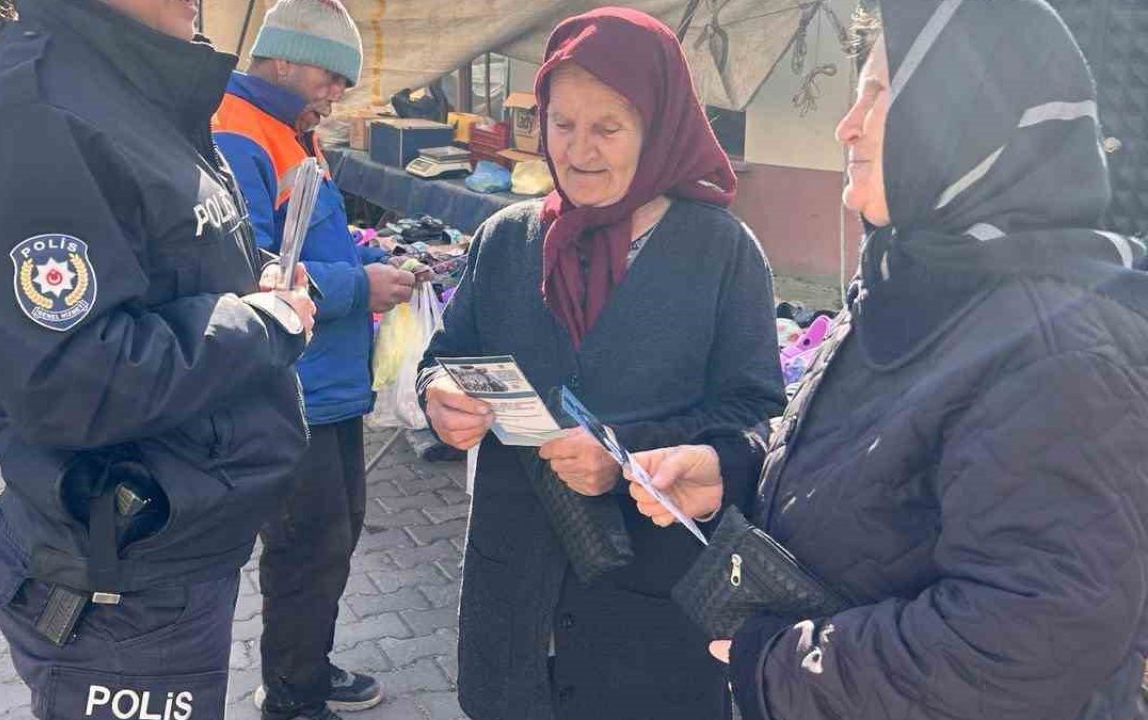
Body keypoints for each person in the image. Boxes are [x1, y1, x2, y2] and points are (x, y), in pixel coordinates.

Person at [629, 2, 1148, 719]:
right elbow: (881, 474)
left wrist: (785, 665)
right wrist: (735, 471)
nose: (848, 123)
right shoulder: (918, 283)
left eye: (879, 94)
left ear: (966, 117)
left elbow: (1030, 639)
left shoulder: (1052, 352)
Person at [0, 0, 319, 714]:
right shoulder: (34, 117)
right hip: (123, 585)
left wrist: (254, 293)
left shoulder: (129, 83)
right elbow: (70, 376)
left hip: (172, 552)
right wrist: (264, 324)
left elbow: (166, 276)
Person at [418, 8, 785, 720]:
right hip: (515, 599)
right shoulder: (507, 241)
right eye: (562, 124)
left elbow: (758, 422)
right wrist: (439, 394)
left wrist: (631, 455)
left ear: (659, 126)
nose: (579, 150)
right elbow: (448, 356)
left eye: (608, 128)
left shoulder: (721, 253)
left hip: (651, 615)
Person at [211, 2, 426, 718]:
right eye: (330, 77)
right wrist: (358, 286)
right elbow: (252, 272)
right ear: (282, 58)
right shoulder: (239, 134)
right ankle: (292, 699)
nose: (336, 93)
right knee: (306, 549)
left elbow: (313, 241)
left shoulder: (294, 132)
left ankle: (309, 664)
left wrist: (371, 255)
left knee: (334, 539)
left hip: (332, 383)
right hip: (289, 385)